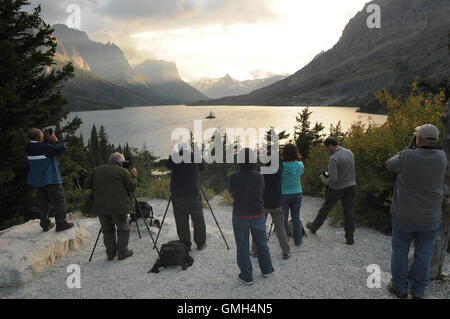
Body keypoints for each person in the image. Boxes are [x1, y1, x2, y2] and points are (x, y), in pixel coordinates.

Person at [386, 124, 447, 299]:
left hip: (404, 215)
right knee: (424, 254)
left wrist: (409, 146)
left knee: (400, 250)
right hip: (430, 217)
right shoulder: (442, 157)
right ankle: (418, 291)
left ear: (418, 138)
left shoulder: (407, 156)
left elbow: (389, 165)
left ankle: (399, 287)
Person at [229, 148, 274, 285]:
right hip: (258, 214)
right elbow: (262, 191)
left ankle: (247, 276)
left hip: (240, 215)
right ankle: (266, 270)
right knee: (261, 243)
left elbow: (231, 195)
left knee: (242, 246)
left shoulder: (233, 176)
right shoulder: (259, 175)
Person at [83, 152, 137, 261]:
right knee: (123, 228)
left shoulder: (97, 170)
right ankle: (123, 252)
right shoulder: (123, 171)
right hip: (118, 206)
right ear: (121, 162)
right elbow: (131, 187)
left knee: (107, 229)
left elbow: (86, 185)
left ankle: (110, 254)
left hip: (101, 205)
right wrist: (134, 176)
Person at [306, 137, 357, 245]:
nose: (327, 151)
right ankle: (350, 238)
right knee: (349, 211)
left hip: (337, 188)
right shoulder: (349, 152)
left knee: (326, 208)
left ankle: (314, 227)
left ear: (330, 146)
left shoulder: (333, 158)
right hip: (351, 185)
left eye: (326, 148)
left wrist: (324, 179)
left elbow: (333, 179)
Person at [26, 128, 74, 232]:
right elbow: (62, 148)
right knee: (60, 201)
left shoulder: (29, 147)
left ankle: (45, 224)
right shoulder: (44, 148)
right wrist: (55, 140)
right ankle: (61, 224)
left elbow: (42, 147)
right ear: (39, 138)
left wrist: (47, 140)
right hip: (51, 180)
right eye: (42, 136)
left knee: (44, 203)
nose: (43, 137)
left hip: (39, 181)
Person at [166, 142, 207, 251]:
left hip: (177, 194)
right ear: (189, 149)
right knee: (198, 219)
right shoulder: (195, 156)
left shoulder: (175, 157)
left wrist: (174, 154)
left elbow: (167, 164)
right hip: (193, 193)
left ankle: (185, 244)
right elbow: (202, 167)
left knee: (181, 220)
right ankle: (200, 243)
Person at [251, 159, 291, 259]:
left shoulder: (262, 170)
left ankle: (255, 250)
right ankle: (286, 252)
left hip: (263, 205)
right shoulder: (279, 170)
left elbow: (252, 168)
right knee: (280, 229)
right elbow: (281, 163)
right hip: (277, 204)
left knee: (259, 228)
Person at [280, 144, 305, 246]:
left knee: (284, 218)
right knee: (296, 217)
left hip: (284, 194)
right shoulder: (300, 165)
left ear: (284, 153)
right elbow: (301, 173)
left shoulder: (281, 166)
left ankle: (286, 239)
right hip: (297, 193)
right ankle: (298, 240)